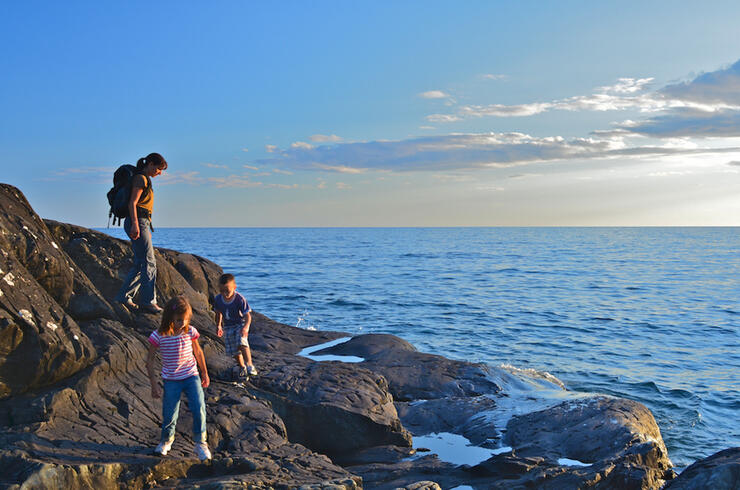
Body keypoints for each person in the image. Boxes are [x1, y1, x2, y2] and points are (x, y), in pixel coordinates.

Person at [146, 296, 212, 461]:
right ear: (169, 317)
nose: (182, 323)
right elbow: (150, 361)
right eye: (179, 320)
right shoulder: (159, 335)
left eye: (186, 319)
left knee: (199, 408)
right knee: (170, 412)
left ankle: (201, 443)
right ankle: (166, 441)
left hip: (191, 376)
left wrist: (204, 372)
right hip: (171, 380)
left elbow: (198, 352)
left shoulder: (190, 331)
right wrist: (154, 385)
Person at [115, 152, 168, 313]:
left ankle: (124, 296)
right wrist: (136, 225)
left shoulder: (145, 179)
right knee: (149, 262)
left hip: (142, 223)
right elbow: (133, 203)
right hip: (137, 221)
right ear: (150, 164)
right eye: (158, 169)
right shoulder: (141, 179)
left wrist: (145, 227)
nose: (159, 173)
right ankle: (148, 301)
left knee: (140, 262)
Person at [213, 273, 257, 380]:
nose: (225, 294)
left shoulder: (239, 299)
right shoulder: (218, 299)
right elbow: (219, 313)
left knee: (242, 342)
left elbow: (248, 315)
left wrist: (246, 327)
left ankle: (250, 365)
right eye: (222, 291)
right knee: (234, 350)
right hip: (228, 326)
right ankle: (242, 367)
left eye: (227, 291)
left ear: (234, 287)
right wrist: (218, 325)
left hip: (240, 325)